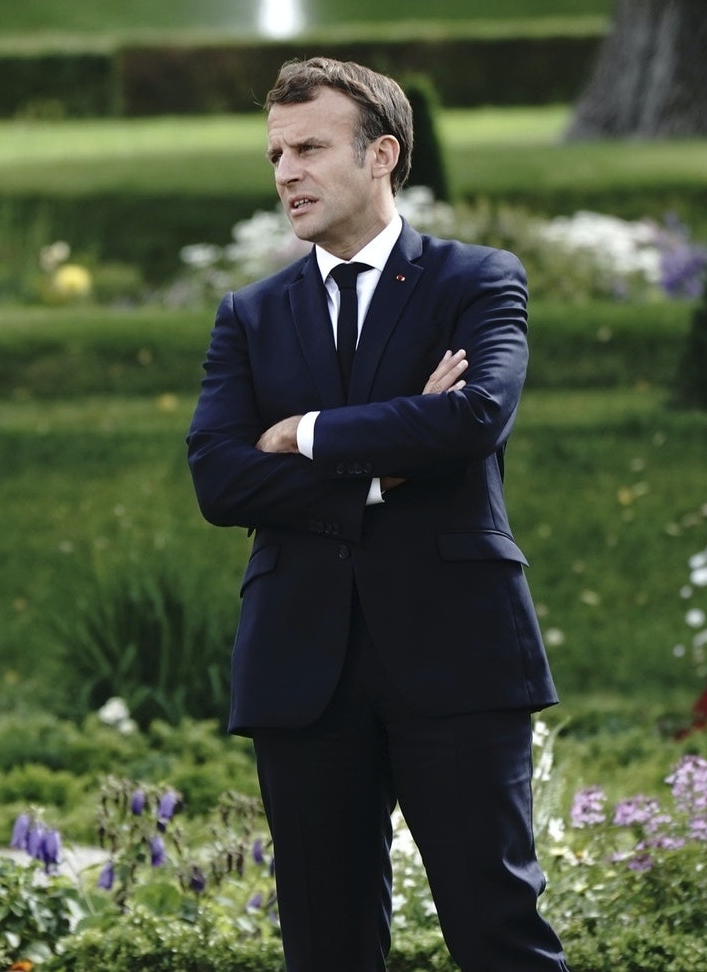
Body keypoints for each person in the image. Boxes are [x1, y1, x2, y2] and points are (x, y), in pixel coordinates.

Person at [186, 58, 569, 971]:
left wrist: (306, 433)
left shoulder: (477, 280)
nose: (286, 173)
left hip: (459, 654)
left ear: (382, 155)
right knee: (326, 949)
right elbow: (219, 480)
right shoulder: (250, 315)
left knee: (500, 934)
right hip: (299, 667)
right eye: (276, 154)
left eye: (310, 149)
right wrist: (382, 470)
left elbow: (474, 417)